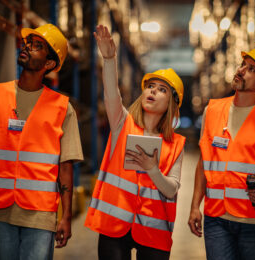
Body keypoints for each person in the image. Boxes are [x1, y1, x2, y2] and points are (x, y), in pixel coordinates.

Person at [0, 24, 84, 260]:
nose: (27, 48)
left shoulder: (63, 108)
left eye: (37, 46)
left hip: (39, 212)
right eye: (27, 43)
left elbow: (65, 167)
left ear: (49, 64)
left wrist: (65, 216)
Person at [84, 25, 186, 260]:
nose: (152, 91)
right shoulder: (123, 124)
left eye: (162, 90)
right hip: (115, 224)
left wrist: (152, 169)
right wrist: (110, 59)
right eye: (150, 86)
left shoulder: (176, 143)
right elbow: (111, 95)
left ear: (172, 103)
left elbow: (171, 189)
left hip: (153, 230)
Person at [188, 47, 255, 260]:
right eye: (243, 65)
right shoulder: (212, 111)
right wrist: (194, 207)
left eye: (251, 69)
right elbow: (204, 162)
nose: (241, 70)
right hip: (216, 217)